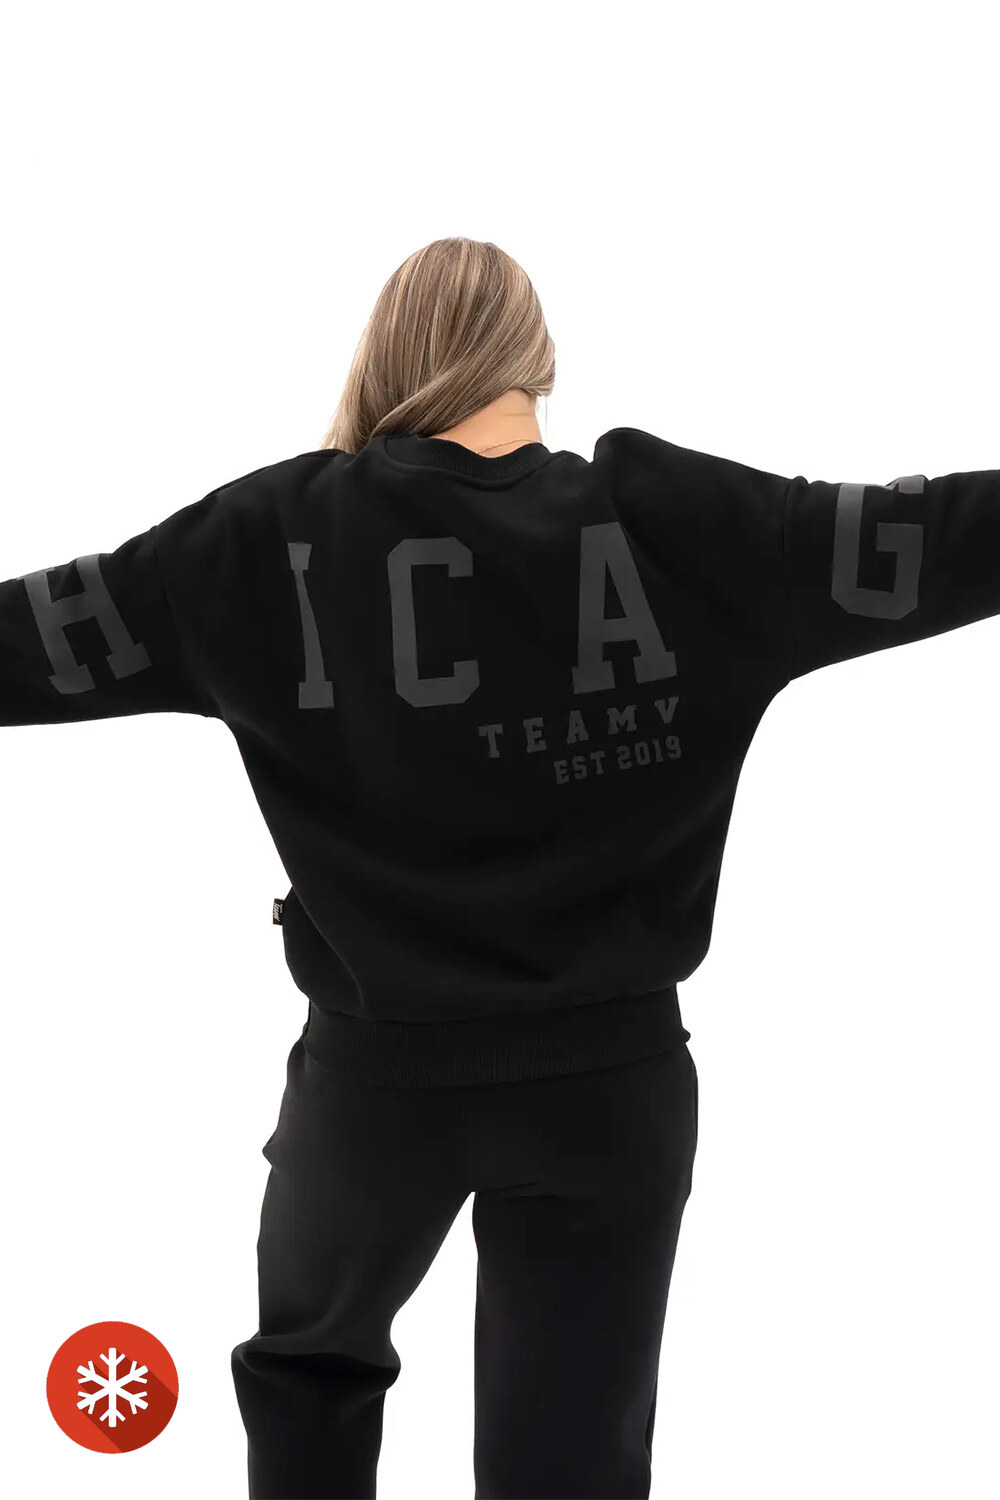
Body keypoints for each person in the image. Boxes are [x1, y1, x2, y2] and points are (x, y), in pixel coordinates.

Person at [3, 235, 998, 1500]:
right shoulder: (686, 525)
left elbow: (28, 640)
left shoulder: (265, 542)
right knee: (568, 1460)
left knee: (311, 1371)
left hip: (376, 1088)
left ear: (387, 356)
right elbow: (947, 533)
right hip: (612, 1093)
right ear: (538, 364)